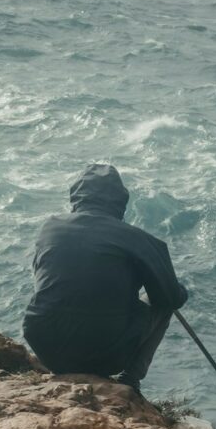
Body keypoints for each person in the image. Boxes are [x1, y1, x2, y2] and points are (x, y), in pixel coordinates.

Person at [23, 163, 188, 393]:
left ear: (76, 195)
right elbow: (171, 298)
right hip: (106, 355)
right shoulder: (137, 239)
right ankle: (130, 379)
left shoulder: (49, 228)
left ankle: (63, 368)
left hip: (46, 348)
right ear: (120, 201)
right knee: (163, 305)